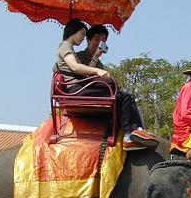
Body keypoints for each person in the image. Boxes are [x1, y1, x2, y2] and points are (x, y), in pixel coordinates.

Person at [56, 19, 158, 151]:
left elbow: (84, 76)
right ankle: (129, 134)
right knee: (122, 94)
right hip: (77, 90)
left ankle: (138, 129)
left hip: (82, 88)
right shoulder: (69, 49)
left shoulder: (76, 52)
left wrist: (96, 61)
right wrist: (97, 70)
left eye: (103, 41)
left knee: (125, 96)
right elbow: (76, 68)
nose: (82, 37)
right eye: (82, 34)